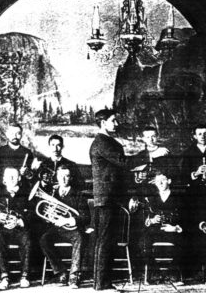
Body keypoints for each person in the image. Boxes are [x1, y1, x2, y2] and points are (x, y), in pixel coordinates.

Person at [89, 109, 132, 290]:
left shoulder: (107, 141)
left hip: (110, 197)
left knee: (107, 239)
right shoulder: (102, 142)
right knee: (105, 240)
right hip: (106, 198)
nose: (116, 124)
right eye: (113, 121)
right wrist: (150, 154)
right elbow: (124, 163)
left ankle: (104, 282)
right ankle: (100, 284)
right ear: (103, 122)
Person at [39, 164, 90, 289]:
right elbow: (44, 214)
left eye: (66, 176)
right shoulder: (51, 193)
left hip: (71, 229)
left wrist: (68, 220)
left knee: (79, 237)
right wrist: (49, 218)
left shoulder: (79, 194)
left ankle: (74, 275)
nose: (63, 179)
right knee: (43, 239)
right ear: (57, 176)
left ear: (71, 178)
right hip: (55, 229)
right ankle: (61, 272)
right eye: (61, 176)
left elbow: (86, 217)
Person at [0, 166, 32, 290]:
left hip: (20, 229)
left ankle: (24, 275)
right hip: (2, 229)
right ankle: (4, 275)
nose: (11, 178)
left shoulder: (27, 193)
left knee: (27, 238)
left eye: (14, 176)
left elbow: (32, 213)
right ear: (4, 179)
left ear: (19, 178)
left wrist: (19, 221)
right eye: (8, 176)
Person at [138, 170, 184, 284]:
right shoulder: (151, 198)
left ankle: (173, 273)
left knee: (183, 242)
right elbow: (145, 218)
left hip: (172, 230)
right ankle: (155, 272)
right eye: (158, 181)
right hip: (155, 230)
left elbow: (185, 217)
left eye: (163, 180)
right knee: (143, 242)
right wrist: (152, 220)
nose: (161, 183)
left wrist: (175, 228)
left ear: (169, 181)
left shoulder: (178, 197)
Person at [0, 123, 33, 194]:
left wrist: (27, 173)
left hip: (21, 193)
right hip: (3, 191)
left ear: (21, 135)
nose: (15, 136)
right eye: (12, 133)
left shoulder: (27, 153)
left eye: (18, 133)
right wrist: (4, 180)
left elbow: (31, 177)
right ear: (7, 134)